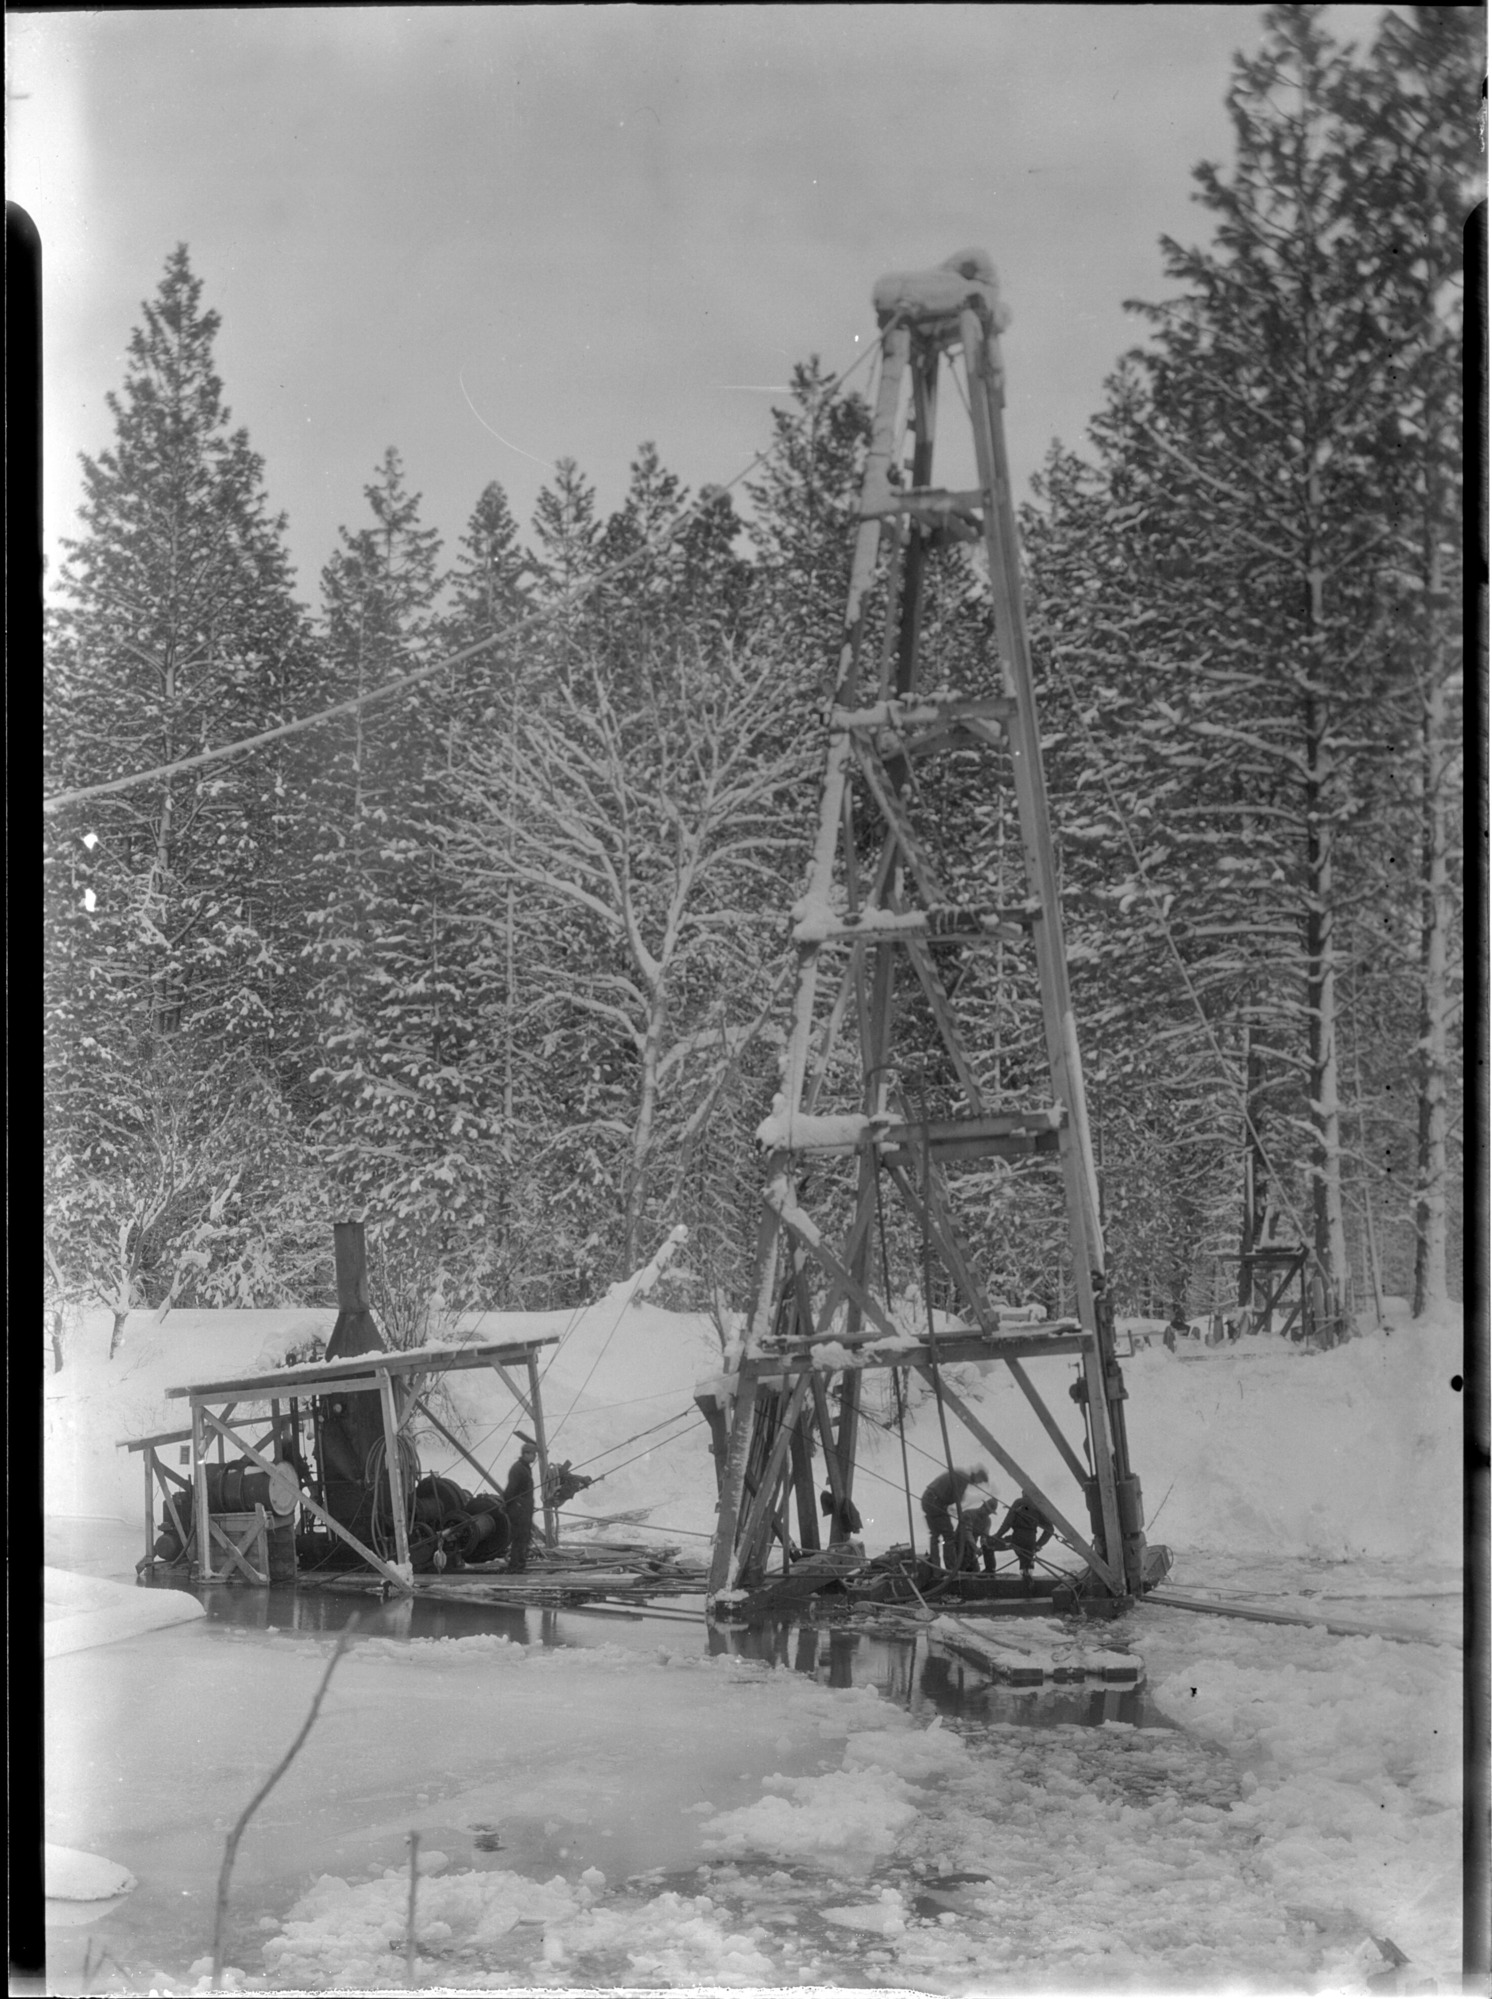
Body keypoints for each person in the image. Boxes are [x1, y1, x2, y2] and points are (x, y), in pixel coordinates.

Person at [920, 1465, 990, 1567]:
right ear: (978, 1476)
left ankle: (936, 1569)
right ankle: (950, 1568)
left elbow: (952, 1495)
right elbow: (957, 1499)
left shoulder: (961, 1475)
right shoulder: (963, 1479)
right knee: (948, 1536)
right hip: (935, 1502)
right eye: (980, 1481)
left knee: (934, 1535)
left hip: (927, 1499)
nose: (978, 1484)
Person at [990, 1493, 1054, 1581]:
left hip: (1017, 1539)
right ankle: (1027, 1579)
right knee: (1027, 1564)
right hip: (1031, 1540)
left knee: (987, 1545)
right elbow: (1050, 1529)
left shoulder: (1018, 1502)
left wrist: (997, 1536)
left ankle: (989, 1571)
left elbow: (1007, 1524)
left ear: (1023, 1493)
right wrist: (1039, 1544)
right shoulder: (1038, 1505)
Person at [503, 1435, 539, 1573]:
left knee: (525, 1537)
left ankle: (520, 1564)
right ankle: (515, 1567)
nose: (535, 1457)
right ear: (525, 1454)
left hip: (524, 1509)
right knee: (519, 1538)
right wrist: (512, 1506)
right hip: (519, 1511)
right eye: (533, 1454)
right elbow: (511, 1490)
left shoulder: (525, 1468)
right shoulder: (518, 1469)